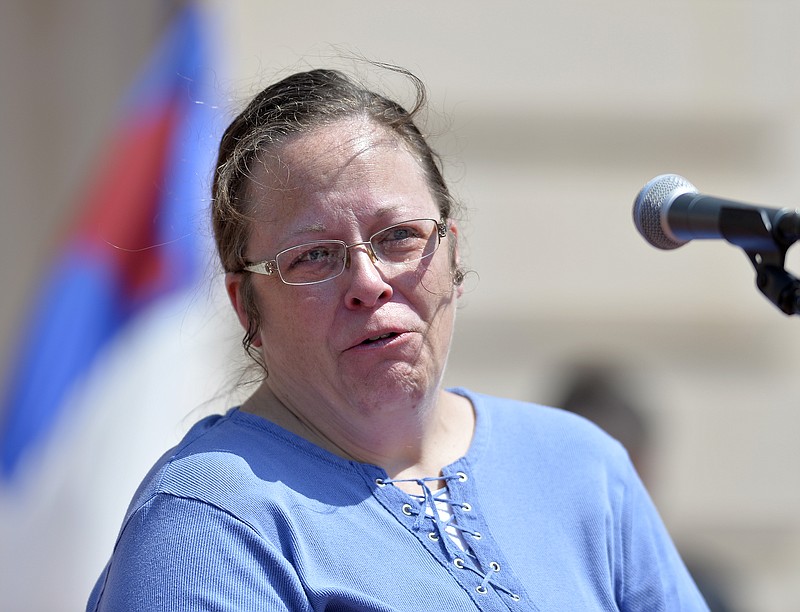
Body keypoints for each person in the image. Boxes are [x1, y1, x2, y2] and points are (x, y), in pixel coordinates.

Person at [86, 65, 708, 611]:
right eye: (314, 257)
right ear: (246, 305)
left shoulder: (582, 466)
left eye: (400, 237)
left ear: (452, 256)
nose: (368, 282)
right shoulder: (210, 520)